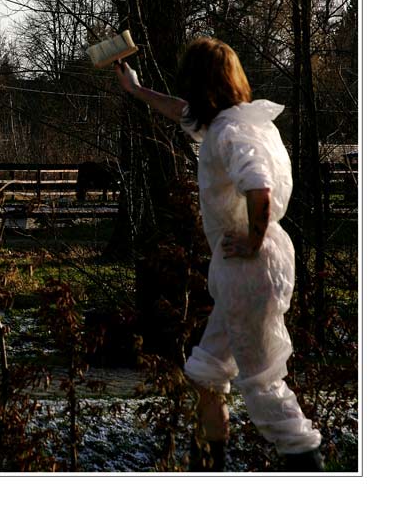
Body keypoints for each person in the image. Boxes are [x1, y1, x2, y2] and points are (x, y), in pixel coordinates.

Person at [114, 36, 324, 472]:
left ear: (198, 82)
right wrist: (136, 89)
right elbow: (185, 114)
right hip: (247, 268)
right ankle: (210, 469)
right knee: (207, 371)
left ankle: (310, 474)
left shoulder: (231, 132)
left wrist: (251, 238)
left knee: (264, 385)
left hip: (249, 269)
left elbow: (258, 185)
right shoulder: (240, 122)